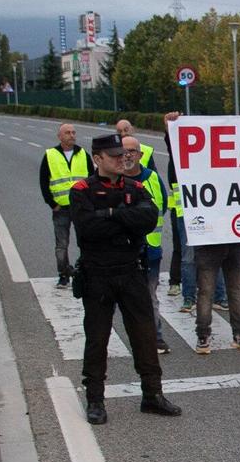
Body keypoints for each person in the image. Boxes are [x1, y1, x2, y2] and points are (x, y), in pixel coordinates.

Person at [68, 132, 179, 424]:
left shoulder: (136, 186)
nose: (122, 159)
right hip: (98, 274)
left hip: (131, 271)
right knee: (97, 339)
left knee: (144, 335)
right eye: (115, 156)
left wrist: (110, 215)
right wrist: (123, 217)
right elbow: (87, 228)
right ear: (97, 159)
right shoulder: (82, 190)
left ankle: (152, 395)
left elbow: (148, 218)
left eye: (124, 155)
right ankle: (95, 400)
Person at [118, 133, 178, 354]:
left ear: (140, 155)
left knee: (150, 297)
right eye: (123, 151)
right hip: (122, 253)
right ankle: (136, 339)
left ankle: (156, 338)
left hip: (151, 251)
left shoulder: (152, 177)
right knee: (126, 299)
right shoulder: (114, 179)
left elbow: (161, 206)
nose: (127, 156)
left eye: (132, 151)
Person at [39, 123, 88, 287]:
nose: (72, 135)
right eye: (67, 132)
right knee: (61, 244)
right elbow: (43, 181)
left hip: (81, 207)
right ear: (59, 136)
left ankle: (85, 271)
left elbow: (92, 178)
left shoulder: (83, 154)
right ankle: (64, 274)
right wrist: (52, 203)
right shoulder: (50, 155)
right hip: (61, 208)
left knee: (86, 241)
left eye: (74, 132)